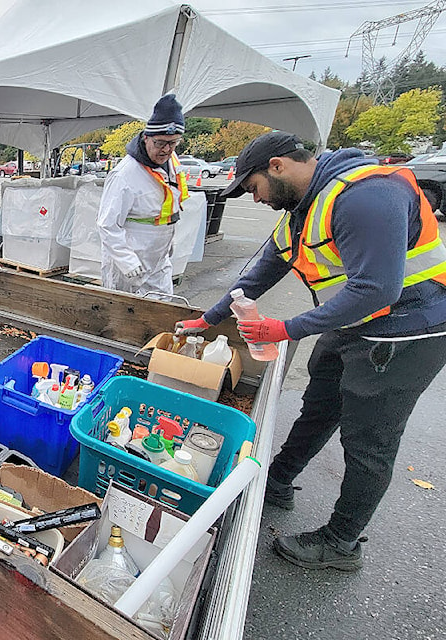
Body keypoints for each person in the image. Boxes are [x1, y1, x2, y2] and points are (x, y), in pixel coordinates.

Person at [176, 131, 446, 571]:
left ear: (278, 166)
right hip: (353, 323)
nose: (254, 197)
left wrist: (286, 328)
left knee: (369, 442)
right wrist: (209, 318)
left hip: (406, 331)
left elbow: (376, 289)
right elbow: (263, 270)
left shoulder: (366, 197)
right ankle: (277, 480)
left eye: (253, 187)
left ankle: (341, 544)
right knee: (319, 407)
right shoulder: (305, 208)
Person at [97, 94, 189, 295]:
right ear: (146, 137)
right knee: (124, 312)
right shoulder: (125, 175)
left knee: (161, 305)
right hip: (131, 259)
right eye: (160, 143)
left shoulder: (172, 162)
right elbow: (107, 224)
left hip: (158, 256)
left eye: (173, 143)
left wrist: (168, 239)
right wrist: (126, 261)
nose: (166, 150)